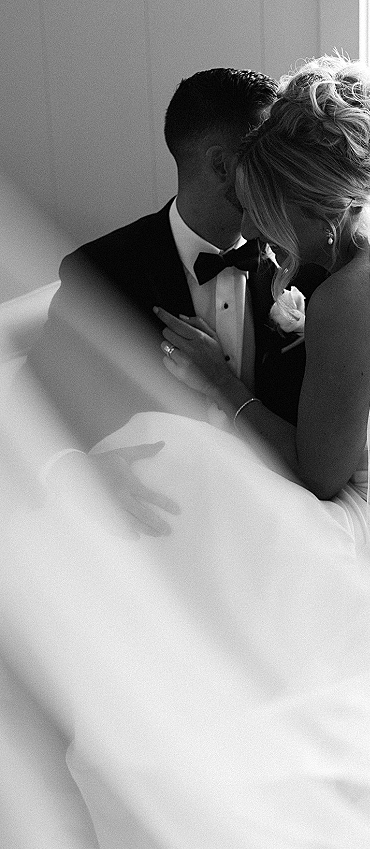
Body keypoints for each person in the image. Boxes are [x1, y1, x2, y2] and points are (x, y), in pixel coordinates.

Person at [1, 56, 370, 849]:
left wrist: (226, 383)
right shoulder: (104, 271)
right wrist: (85, 475)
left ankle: (194, 775)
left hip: (344, 508)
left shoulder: (337, 277)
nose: (262, 226)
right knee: (171, 474)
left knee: (196, 471)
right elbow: (39, 413)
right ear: (223, 166)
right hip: (205, 527)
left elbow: (322, 473)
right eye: (253, 180)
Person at [16, 67, 322, 536]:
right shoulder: (101, 273)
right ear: (222, 165)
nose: (284, 174)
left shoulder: (310, 264)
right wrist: (76, 467)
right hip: (156, 539)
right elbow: (28, 411)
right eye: (268, 158)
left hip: (281, 527)